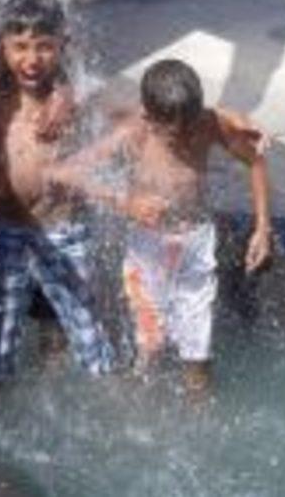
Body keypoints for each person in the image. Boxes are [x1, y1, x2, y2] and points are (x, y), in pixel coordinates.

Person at [51, 58, 273, 397]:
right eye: (172, 134)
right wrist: (123, 201)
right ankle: (140, 398)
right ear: (149, 118)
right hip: (148, 247)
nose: (184, 138)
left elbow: (255, 160)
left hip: (196, 242)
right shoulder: (134, 134)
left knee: (198, 346)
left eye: (190, 128)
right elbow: (66, 173)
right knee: (150, 343)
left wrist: (262, 227)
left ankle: (199, 403)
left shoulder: (208, 124)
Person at [0, 0, 115, 376]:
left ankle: (101, 379)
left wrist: (67, 92)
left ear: (62, 45)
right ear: (3, 46)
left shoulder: (75, 99)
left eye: (44, 47)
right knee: (1, 326)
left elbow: (125, 119)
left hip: (64, 229)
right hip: (7, 229)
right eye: (20, 47)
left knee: (86, 320)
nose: (32, 59)